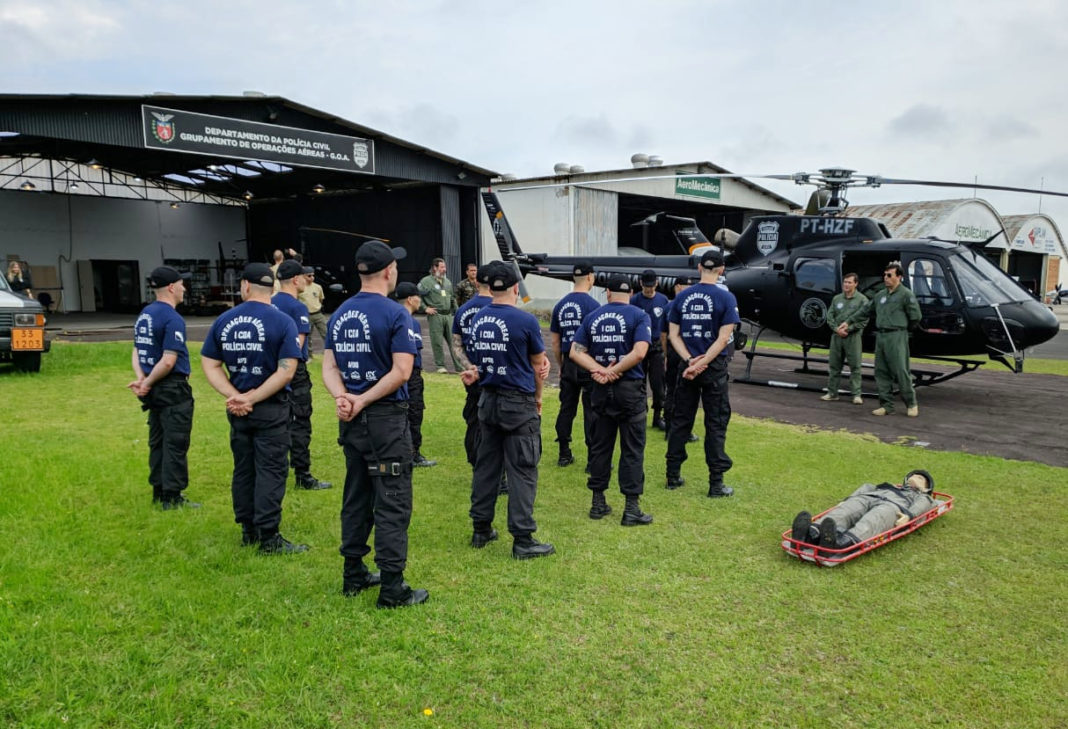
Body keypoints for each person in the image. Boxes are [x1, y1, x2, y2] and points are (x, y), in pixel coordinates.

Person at [322, 239, 428, 609]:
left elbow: (329, 366)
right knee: (392, 498)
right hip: (385, 424)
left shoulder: (340, 313)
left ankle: (353, 573)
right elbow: (402, 371)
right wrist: (363, 399)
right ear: (389, 272)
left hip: (353, 424)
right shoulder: (396, 314)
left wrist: (343, 397)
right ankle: (393, 587)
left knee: (357, 494)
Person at [201, 263, 306, 554]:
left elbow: (210, 364)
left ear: (245, 286)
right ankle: (268, 536)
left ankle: (248, 529)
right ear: (272, 288)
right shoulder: (283, 322)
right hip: (270, 408)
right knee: (271, 470)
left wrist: (236, 396)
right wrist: (253, 398)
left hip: (238, 410)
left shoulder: (224, 320)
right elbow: (286, 370)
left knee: (244, 469)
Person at [463, 261, 554, 559]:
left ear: (490, 288)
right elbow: (538, 366)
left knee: (487, 467)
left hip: (487, 401)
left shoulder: (479, 317)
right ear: (516, 287)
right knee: (523, 469)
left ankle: (481, 528)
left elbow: (478, 358)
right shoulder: (525, 321)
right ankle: (523, 539)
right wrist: (538, 399)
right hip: (518, 403)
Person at [569, 274, 654, 526]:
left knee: (600, 446)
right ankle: (631, 508)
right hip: (629, 390)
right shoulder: (640, 316)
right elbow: (640, 352)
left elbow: (575, 351)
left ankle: (598, 502)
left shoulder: (592, 316)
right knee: (632, 449)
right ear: (631, 294)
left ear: (607, 293)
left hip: (599, 389)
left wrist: (601, 370)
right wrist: (613, 371)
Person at [665, 249, 740, 497]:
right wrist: (703, 362)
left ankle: (672, 475)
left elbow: (673, 335)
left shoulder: (682, 297)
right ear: (721, 270)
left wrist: (690, 361)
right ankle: (716, 483)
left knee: (680, 420)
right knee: (715, 423)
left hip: (687, 366)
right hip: (712, 367)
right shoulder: (726, 298)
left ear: (699, 268)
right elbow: (724, 338)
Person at [128, 266, 197, 509]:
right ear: (171, 287)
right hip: (171, 387)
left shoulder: (145, 314)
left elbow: (137, 350)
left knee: (157, 440)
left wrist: (142, 379)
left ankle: (158, 489)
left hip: (153, 385)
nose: (184, 288)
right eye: (181, 284)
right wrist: (146, 383)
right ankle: (172, 496)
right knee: (175, 441)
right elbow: (169, 360)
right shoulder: (172, 318)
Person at [272, 260, 331, 490]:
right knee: (300, 421)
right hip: (293, 371)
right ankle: (302, 474)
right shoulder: (297, 308)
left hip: (271, 369)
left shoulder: (269, 303)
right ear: (296, 280)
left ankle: (275, 470)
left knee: (275, 421)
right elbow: (297, 345)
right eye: (304, 277)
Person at [791, 470, 939, 551]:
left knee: (874, 518)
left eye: (920, 478)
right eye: (914, 475)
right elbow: (867, 487)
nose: (915, 477)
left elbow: (923, 505)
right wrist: (848, 499)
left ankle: (841, 542)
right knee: (847, 510)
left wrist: (908, 516)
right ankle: (811, 533)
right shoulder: (889, 486)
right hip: (869, 497)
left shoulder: (923, 497)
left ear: (926, 488)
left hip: (894, 506)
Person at [549, 261, 599, 467]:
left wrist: (561, 365)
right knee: (591, 410)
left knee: (566, 408)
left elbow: (555, 342)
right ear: (590, 277)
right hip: (587, 361)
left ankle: (564, 452)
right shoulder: (594, 306)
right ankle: (593, 458)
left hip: (568, 362)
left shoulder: (560, 305)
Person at [865, 262, 922, 417]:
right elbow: (866, 310)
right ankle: (886, 405)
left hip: (897, 334)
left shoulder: (906, 294)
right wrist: (849, 322)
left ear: (899, 277)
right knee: (881, 371)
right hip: (881, 335)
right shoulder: (880, 295)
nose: (886, 278)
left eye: (889, 275)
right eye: (885, 275)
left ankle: (911, 403)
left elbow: (915, 317)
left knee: (900, 370)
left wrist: (903, 329)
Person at [451, 265, 493, 468]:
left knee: (473, 419)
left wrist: (471, 367)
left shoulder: (463, 310)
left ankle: (475, 461)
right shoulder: (499, 309)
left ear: (477, 283)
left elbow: (457, 345)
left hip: (471, 375)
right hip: (494, 375)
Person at [395, 280, 437, 468]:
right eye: (419, 297)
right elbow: (413, 351)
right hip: (411, 374)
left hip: (396, 373)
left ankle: (402, 451)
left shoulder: (392, 317)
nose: (420, 300)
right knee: (414, 413)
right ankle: (413, 454)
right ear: (411, 299)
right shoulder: (411, 322)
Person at [821, 272, 870, 405]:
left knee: (855, 367)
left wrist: (849, 329)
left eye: (849, 282)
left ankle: (856, 395)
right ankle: (832, 393)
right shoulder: (837, 299)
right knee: (834, 366)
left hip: (853, 337)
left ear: (856, 284)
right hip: (837, 336)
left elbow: (864, 320)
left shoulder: (862, 300)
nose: (846, 285)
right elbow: (829, 316)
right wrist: (836, 329)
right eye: (845, 282)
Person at [630, 269, 670, 430]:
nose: (649, 289)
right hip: (639, 345)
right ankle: (640, 414)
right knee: (638, 382)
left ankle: (657, 416)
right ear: (641, 284)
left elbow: (666, 327)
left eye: (651, 286)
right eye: (646, 286)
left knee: (658, 384)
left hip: (656, 347)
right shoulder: (634, 301)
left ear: (657, 284)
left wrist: (666, 352)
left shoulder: (663, 300)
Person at [662, 275, 699, 444]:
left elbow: (664, 334)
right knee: (684, 392)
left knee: (672, 390)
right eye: (685, 286)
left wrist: (666, 354)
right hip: (685, 352)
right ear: (677, 287)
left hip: (674, 351)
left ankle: (670, 429)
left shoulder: (670, 306)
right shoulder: (690, 305)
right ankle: (681, 430)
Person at [418, 257, 460, 373]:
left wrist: (457, 312)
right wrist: (425, 308)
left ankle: (459, 366)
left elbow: (452, 298)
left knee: (454, 342)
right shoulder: (426, 282)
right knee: (437, 342)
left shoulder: (447, 282)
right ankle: (440, 366)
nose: (444, 269)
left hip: (448, 315)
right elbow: (417, 296)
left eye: (444, 267)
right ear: (434, 268)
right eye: (442, 267)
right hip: (436, 315)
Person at [298, 267, 329, 353]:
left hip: (318, 313)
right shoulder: (300, 288)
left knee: (326, 333)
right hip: (306, 314)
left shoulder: (318, 287)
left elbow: (321, 299)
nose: (312, 277)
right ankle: (309, 355)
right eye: (309, 276)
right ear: (303, 276)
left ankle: (330, 352)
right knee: (307, 336)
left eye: (313, 275)